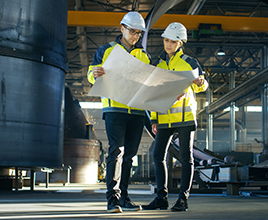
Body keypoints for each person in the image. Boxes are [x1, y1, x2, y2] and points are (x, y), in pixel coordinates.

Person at [87, 11, 150, 213]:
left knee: (130, 156)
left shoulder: (144, 56)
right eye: (132, 31)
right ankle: (112, 199)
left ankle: (124, 197)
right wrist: (93, 74)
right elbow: (92, 73)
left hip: (138, 111)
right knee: (116, 152)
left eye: (139, 33)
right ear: (122, 28)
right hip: (115, 109)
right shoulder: (105, 50)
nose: (135, 36)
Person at [142, 22, 208, 211]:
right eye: (165, 40)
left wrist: (201, 82)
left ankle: (182, 199)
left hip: (184, 117)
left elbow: (202, 85)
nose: (168, 44)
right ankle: (161, 198)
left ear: (180, 43)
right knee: (158, 155)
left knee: (186, 158)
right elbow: (154, 93)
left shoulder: (189, 62)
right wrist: (154, 118)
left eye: (172, 41)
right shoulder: (158, 64)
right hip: (163, 117)